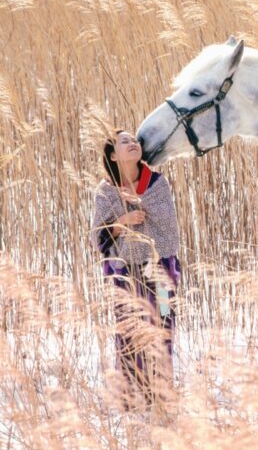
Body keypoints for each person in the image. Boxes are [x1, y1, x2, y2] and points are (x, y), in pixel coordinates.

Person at [90, 130, 181, 408]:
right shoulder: (106, 192)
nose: (133, 144)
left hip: (163, 273)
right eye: (125, 142)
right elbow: (98, 237)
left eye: (135, 140)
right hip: (125, 276)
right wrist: (122, 221)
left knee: (163, 326)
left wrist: (140, 209)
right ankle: (131, 396)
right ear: (113, 155)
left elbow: (170, 231)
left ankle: (161, 393)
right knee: (129, 331)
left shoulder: (157, 184)